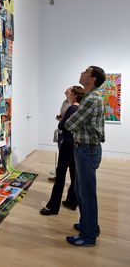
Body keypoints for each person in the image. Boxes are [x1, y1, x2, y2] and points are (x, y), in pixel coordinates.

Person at [65, 66, 106, 247]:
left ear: (93, 78)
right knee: (80, 191)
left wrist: (69, 120)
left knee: (87, 194)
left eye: (86, 71)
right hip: (84, 149)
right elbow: (75, 123)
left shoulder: (91, 99)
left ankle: (88, 236)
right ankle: (89, 225)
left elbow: (71, 124)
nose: (81, 72)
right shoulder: (89, 98)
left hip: (87, 151)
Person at [40, 86, 85, 215]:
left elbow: (62, 125)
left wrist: (62, 121)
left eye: (70, 91)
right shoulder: (81, 108)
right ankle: (72, 201)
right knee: (74, 174)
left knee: (60, 175)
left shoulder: (72, 108)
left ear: (75, 94)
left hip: (67, 144)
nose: (67, 92)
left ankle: (53, 207)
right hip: (75, 144)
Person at [48, 88, 71, 182]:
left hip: (68, 133)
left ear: (72, 93)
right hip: (61, 132)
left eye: (69, 89)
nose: (67, 89)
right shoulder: (65, 102)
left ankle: (72, 180)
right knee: (61, 156)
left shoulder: (73, 104)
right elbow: (64, 116)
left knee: (68, 158)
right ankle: (59, 177)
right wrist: (60, 118)